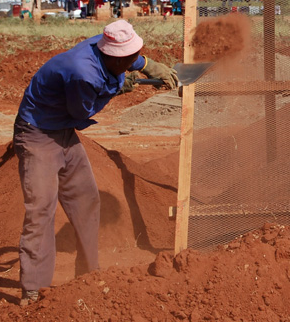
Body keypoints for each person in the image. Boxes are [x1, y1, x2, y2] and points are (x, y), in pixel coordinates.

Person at [13, 20, 177, 306]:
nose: (130, 63)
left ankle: (87, 275)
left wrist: (148, 65)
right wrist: (116, 89)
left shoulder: (105, 45)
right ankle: (33, 290)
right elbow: (81, 113)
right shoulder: (83, 74)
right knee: (41, 210)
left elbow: (127, 58)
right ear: (112, 56)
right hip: (38, 132)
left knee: (86, 200)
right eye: (126, 60)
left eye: (132, 56)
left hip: (62, 130)